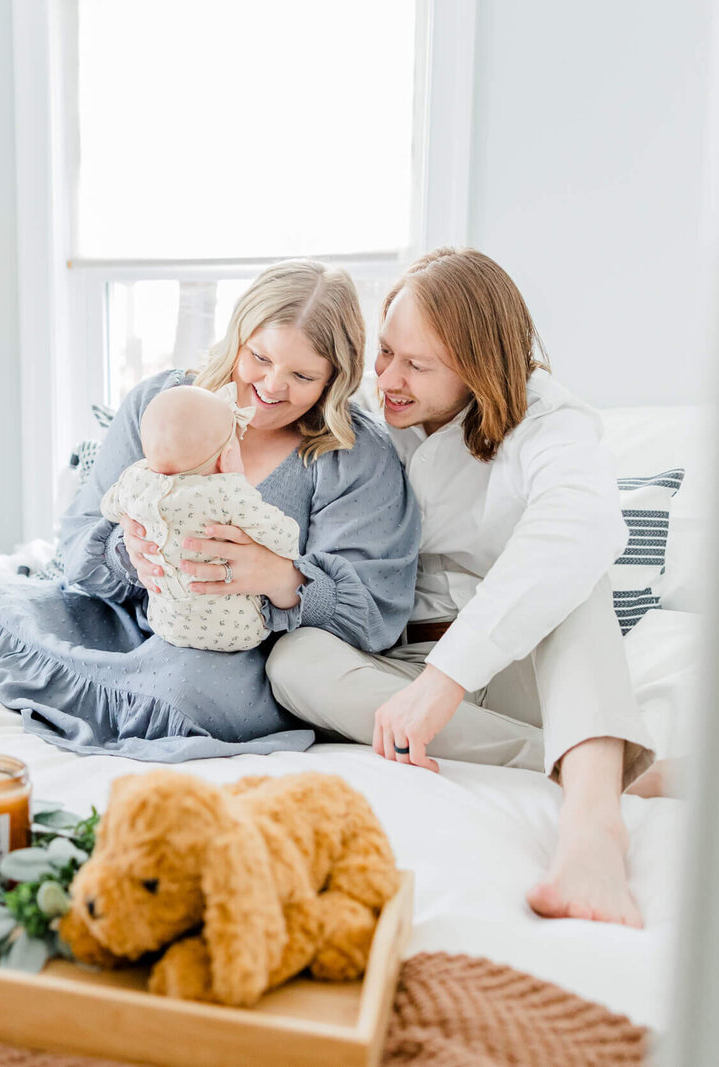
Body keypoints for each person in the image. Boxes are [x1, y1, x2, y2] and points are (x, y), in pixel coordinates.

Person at [0, 259, 419, 761]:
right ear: (238, 337)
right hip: (128, 615)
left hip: (233, 649)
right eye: (260, 357)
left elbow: (374, 611)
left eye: (302, 376)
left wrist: (281, 576)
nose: (271, 387)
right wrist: (130, 555)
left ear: (335, 378)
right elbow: (80, 541)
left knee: (185, 691)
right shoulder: (166, 403)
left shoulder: (353, 455)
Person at [266, 247, 657, 927]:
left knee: (577, 572)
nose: (387, 377)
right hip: (395, 659)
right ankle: (594, 759)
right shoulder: (363, 411)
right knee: (292, 662)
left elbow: (582, 522)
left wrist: (444, 679)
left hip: (505, 664)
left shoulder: (549, 423)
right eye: (385, 351)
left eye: (418, 365)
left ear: (477, 371)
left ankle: (594, 830)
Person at [99, 384, 301, 652]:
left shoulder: (136, 480)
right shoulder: (227, 493)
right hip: (239, 631)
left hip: (164, 625)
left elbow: (108, 507)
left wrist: (132, 519)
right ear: (227, 458)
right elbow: (286, 538)